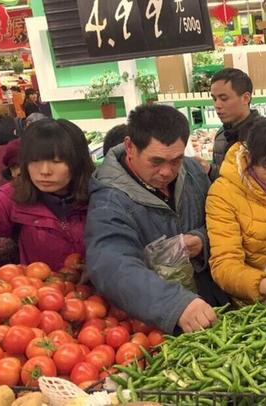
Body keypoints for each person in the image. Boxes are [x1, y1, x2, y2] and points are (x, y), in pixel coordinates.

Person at [85, 104, 227, 334]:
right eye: (156, 161)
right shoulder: (110, 199)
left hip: (211, 303)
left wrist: (201, 239)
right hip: (156, 322)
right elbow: (112, 263)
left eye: (176, 160)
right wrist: (175, 303)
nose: (167, 172)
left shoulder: (190, 171)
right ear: (130, 147)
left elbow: (221, 218)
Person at [206, 117, 266, 305]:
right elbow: (224, 264)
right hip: (252, 303)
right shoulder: (224, 193)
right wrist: (263, 285)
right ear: (250, 159)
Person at [0, 119, 93, 270]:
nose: (44, 171)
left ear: (77, 163)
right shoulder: (12, 196)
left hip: (101, 290)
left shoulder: (102, 196)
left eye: (56, 161)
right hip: (36, 290)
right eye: (34, 161)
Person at [200, 68, 260, 181]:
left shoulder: (264, 135)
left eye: (224, 98)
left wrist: (211, 170)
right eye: (214, 99)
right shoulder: (221, 134)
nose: (217, 105)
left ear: (245, 98)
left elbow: (258, 183)